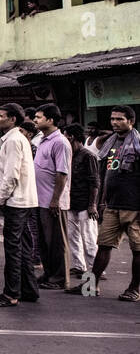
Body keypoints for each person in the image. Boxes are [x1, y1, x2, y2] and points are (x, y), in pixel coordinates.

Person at [67, 105, 140, 300]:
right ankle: (92, 285)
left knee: (137, 250)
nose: (115, 123)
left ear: (130, 121)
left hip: (134, 207)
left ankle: (134, 289)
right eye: (113, 119)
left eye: (120, 119)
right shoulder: (111, 143)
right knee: (103, 246)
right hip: (112, 205)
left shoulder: (137, 144)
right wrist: (100, 202)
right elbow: (106, 174)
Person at [0, 103, 38, 308]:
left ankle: (11, 294)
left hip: (16, 201)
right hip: (24, 200)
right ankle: (29, 290)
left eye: (1, 116)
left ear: (13, 119)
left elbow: (11, 175)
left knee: (13, 248)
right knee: (23, 246)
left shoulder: (14, 140)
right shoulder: (16, 138)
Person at [32, 104, 72, 290]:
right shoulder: (43, 140)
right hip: (41, 199)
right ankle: (49, 273)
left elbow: (62, 174)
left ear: (50, 120)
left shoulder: (60, 142)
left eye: (39, 117)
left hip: (53, 201)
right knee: (44, 241)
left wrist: (55, 200)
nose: (35, 120)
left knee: (56, 241)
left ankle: (59, 278)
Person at [63, 125, 100, 279]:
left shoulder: (88, 156)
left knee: (89, 239)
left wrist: (92, 205)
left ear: (71, 137)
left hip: (85, 204)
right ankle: (79, 266)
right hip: (72, 202)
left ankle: (95, 269)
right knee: (73, 237)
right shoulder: (69, 155)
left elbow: (94, 182)